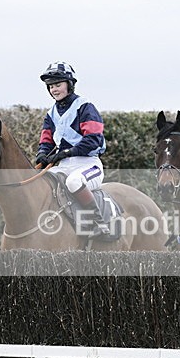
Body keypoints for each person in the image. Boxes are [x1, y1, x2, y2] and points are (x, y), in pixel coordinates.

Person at [35, 61, 110, 238]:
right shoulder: (51, 113)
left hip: (88, 165)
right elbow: (46, 140)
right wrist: (42, 154)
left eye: (58, 85)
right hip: (63, 165)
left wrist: (68, 152)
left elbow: (93, 140)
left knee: (73, 182)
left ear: (69, 84)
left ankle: (98, 222)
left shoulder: (85, 107)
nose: (54, 89)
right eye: (51, 86)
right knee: (40, 183)